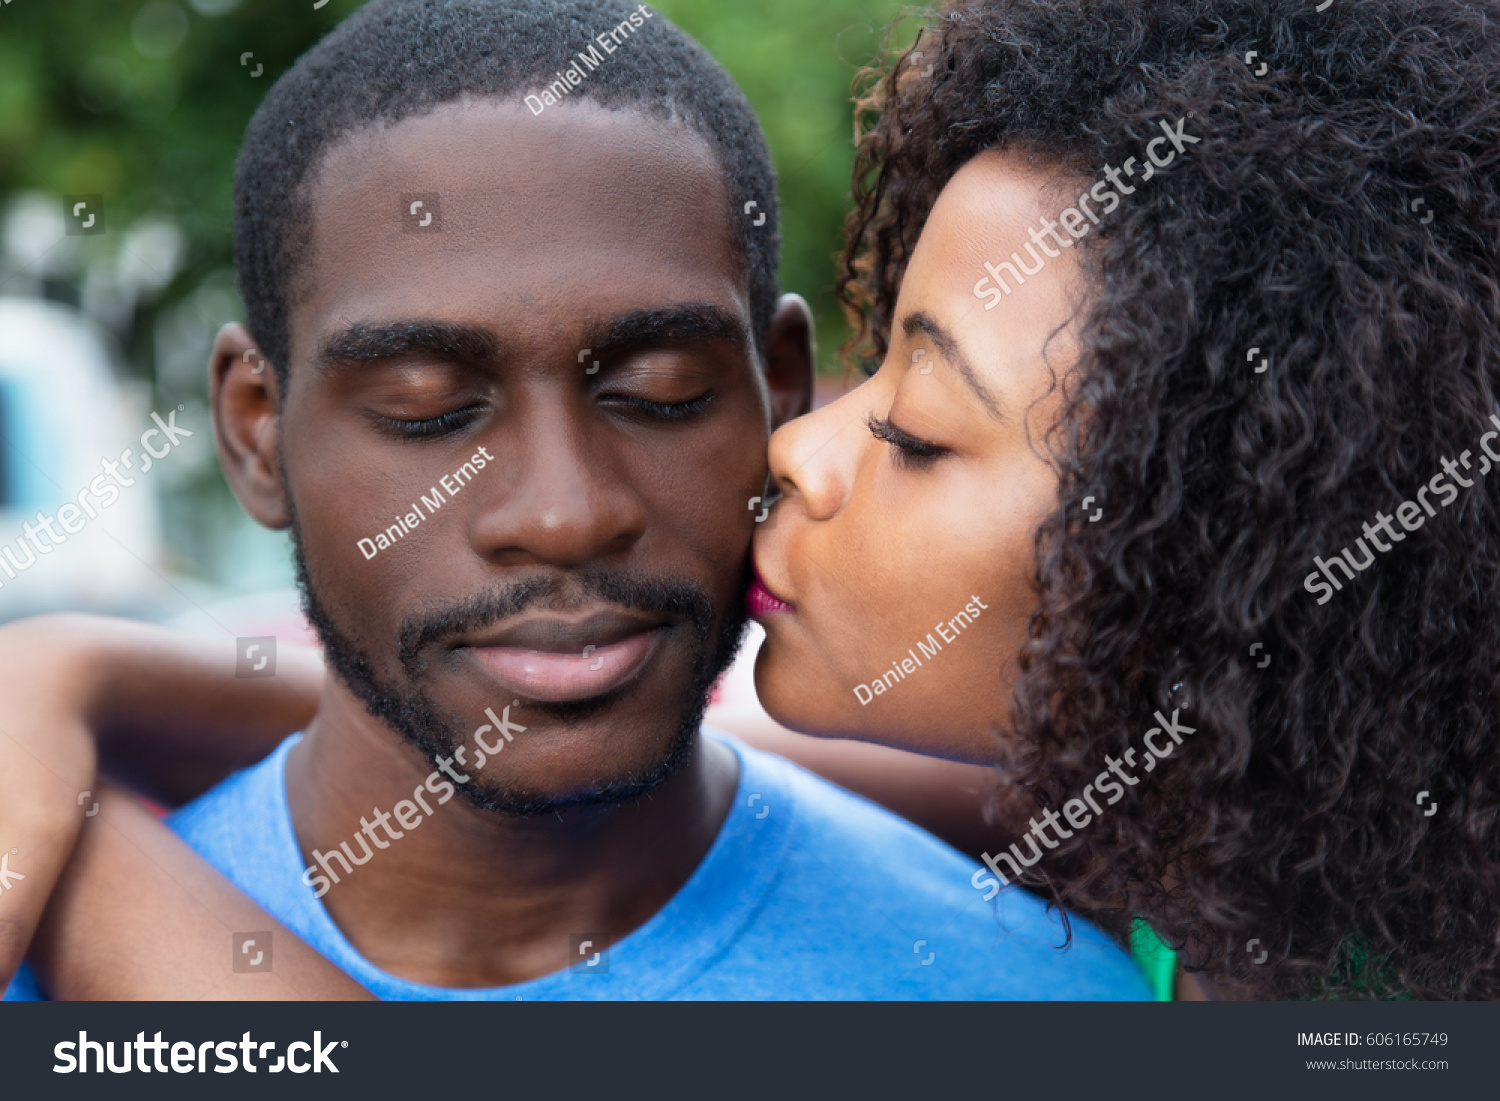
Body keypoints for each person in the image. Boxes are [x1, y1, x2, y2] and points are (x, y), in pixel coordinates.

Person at [0, 0, 1149, 1001]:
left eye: (660, 392)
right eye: (422, 406)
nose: (563, 514)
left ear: (779, 393)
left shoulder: (1044, 1001)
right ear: (257, 433)